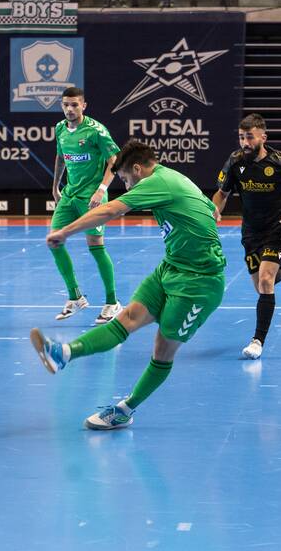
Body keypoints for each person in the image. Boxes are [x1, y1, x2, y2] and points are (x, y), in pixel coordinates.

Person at [30, 138, 227, 430]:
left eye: (124, 179)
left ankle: (125, 410)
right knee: (128, 318)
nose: (126, 186)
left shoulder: (157, 181)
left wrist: (66, 231)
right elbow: (211, 212)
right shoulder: (172, 178)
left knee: (162, 349)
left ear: (137, 169)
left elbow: (110, 210)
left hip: (200, 283)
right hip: (171, 267)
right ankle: (64, 353)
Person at [212, 114, 281, 359]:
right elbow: (221, 195)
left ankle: (257, 341)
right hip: (250, 232)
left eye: (249, 137)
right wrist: (211, 214)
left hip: (277, 229)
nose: (244, 142)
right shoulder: (235, 162)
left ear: (262, 138)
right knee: (260, 285)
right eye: (241, 137)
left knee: (266, 282)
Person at [45, 87, 122, 323]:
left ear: (83, 106)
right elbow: (60, 157)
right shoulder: (60, 129)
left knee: (95, 244)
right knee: (54, 240)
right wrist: (55, 186)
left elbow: (114, 161)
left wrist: (102, 189)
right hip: (69, 195)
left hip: (92, 197)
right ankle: (75, 297)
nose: (70, 109)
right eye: (66, 104)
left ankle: (112, 302)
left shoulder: (96, 131)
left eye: (75, 105)